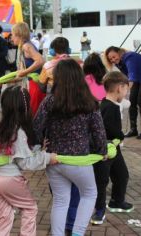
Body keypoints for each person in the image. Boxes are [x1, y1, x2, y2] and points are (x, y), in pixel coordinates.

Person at [33, 59, 107, 236]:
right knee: (89, 194)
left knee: (60, 201)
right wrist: (102, 151)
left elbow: (36, 127)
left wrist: (40, 144)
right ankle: (77, 233)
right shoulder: (89, 101)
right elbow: (98, 130)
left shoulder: (49, 101)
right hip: (80, 160)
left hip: (54, 160)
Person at [0, 85, 58, 235]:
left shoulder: (2, 126)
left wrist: (37, 148)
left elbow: (14, 152)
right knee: (30, 209)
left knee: (5, 217)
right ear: (25, 106)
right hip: (9, 178)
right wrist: (48, 157)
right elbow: (25, 162)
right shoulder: (20, 131)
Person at [90, 71, 134, 225]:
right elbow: (109, 127)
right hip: (106, 151)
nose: (126, 93)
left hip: (114, 149)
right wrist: (121, 135)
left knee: (121, 175)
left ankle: (117, 201)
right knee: (101, 181)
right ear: (119, 88)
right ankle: (99, 210)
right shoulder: (111, 108)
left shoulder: (105, 104)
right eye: (126, 89)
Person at [105, 46, 141, 139]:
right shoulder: (119, 62)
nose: (113, 60)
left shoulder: (129, 57)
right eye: (110, 59)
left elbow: (132, 74)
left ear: (119, 53)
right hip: (137, 77)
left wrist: (124, 92)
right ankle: (133, 129)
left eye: (114, 56)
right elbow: (127, 76)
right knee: (132, 101)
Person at [11, 22, 44, 115]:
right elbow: (20, 74)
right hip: (31, 84)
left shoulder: (26, 46)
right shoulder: (22, 47)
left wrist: (25, 72)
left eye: (13, 35)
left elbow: (41, 60)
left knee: (33, 115)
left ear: (19, 35)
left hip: (35, 85)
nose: (12, 38)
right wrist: (2, 82)